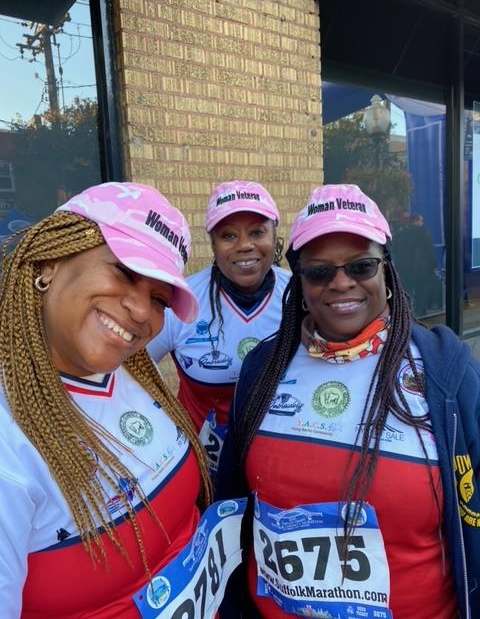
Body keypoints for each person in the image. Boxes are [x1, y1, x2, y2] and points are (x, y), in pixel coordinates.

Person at [216, 184, 480, 619]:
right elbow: (234, 506)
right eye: (319, 272)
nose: (341, 283)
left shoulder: (444, 370)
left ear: (386, 272)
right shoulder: (264, 366)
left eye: (361, 266)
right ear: (300, 282)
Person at [0, 182, 219, 618]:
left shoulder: (135, 370)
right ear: (49, 262)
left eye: (159, 298)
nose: (142, 311)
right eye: (124, 272)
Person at [148, 180, 290, 475]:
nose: (245, 245)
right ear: (212, 244)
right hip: (202, 468)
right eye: (228, 236)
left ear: (274, 235)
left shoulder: (299, 297)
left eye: (257, 232)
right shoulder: (183, 300)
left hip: (277, 462)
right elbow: (130, 371)